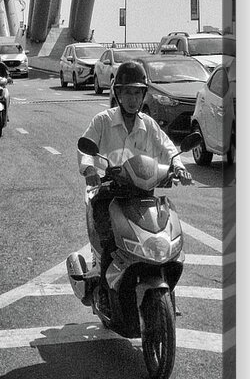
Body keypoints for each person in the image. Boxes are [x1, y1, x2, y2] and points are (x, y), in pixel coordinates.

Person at [77, 60, 192, 316]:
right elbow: (86, 148)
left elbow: (168, 149)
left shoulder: (148, 124)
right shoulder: (103, 121)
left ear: (143, 95)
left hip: (142, 192)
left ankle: (165, 292)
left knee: (161, 235)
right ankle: (104, 290)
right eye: (127, 92)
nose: (132, 98)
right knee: (109, 239)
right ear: (118, 93)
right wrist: (90, 171)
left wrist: (178, 166)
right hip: (109, 192)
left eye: (137, 92)